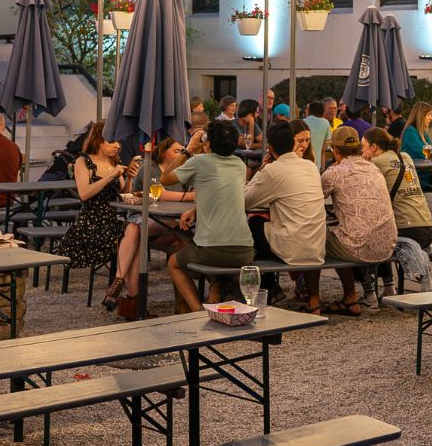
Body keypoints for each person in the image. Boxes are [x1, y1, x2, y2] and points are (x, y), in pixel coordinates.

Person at [162, 119, 254, 313]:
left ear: (208, 143)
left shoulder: (199, 161)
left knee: (174, 262)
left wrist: (188, 150)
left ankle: (197, 310)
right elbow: (220, 194)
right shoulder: (239, 164)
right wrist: (196, 210)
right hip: (245, 251)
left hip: (212, 250)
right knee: (197, 246)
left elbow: (165, 178)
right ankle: (215, 286)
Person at [242, 120, 328, 310]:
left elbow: (245, 201)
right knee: (302, 227)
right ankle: (314, 299)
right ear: (292, 142)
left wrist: (262, 170)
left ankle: (267, 286)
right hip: (317, 245)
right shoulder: (311, 167)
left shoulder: (273, 170)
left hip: (292, 246)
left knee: (255, 222)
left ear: (270, 147)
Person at [106, 137, 195, 318]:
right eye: (176, 151)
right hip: (150, 218)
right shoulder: (150, 167)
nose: (180, 154)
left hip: (169, 223)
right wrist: (188, 196)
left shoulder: (181, 170)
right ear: (163, 151)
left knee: (134, 231)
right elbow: (160, 193)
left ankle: (122, 287)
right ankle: (133, 302)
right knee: (136, 230)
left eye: (182, 151)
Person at [318, 126, 397, 315]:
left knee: (317, 237)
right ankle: (359, 294)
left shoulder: (334, 173)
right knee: (349, 231)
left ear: (336, 150)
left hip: (360, 247)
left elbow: (311, 199)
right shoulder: (373, 168)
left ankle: (344, 296)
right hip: (388, 243)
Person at [363, 127, 432, 292]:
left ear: (373, 148)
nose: (362, 150)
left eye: (363, 146)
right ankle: (389, 286)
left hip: (406, 230)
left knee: (368, 239)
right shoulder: (406, 157)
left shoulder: (375, 163)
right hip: (427, 227)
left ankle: (370, 293)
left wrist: (364, 162)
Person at [60, 122, 132, 273]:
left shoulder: (115, 162)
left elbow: (124, 195)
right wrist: (111, 175)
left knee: (135, 236)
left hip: (112, 220)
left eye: (119, 141)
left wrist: (130, 178)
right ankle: (121, 279)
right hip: (90, 223)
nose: (117, 146)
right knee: (129, 240)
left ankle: (124, 283)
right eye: (112, 141)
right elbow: (84, 194)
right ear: (99, 141)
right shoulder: (83, 161)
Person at [402, 101, 432, 191]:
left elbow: (431, 153)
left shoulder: (423, 133)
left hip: (424, 173)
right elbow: (425, 153)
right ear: (420, 115)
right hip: (414, 176)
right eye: (428, 115)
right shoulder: (410, 131)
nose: (431, 118)